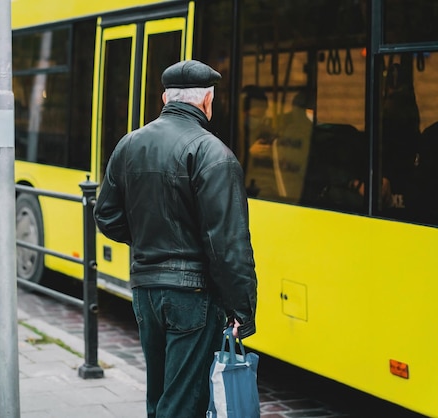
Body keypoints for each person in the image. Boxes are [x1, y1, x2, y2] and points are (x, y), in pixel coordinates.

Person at [93, 60, 258, 418]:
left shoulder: (129, 144)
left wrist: (148, 242)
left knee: (161, 395)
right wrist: (242, 310)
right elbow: (228, 245)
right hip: (193, 295)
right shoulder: (213, 153)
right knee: (184, 402)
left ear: (166, 97)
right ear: (207, 101)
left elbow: (105, 215)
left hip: (145, 290)